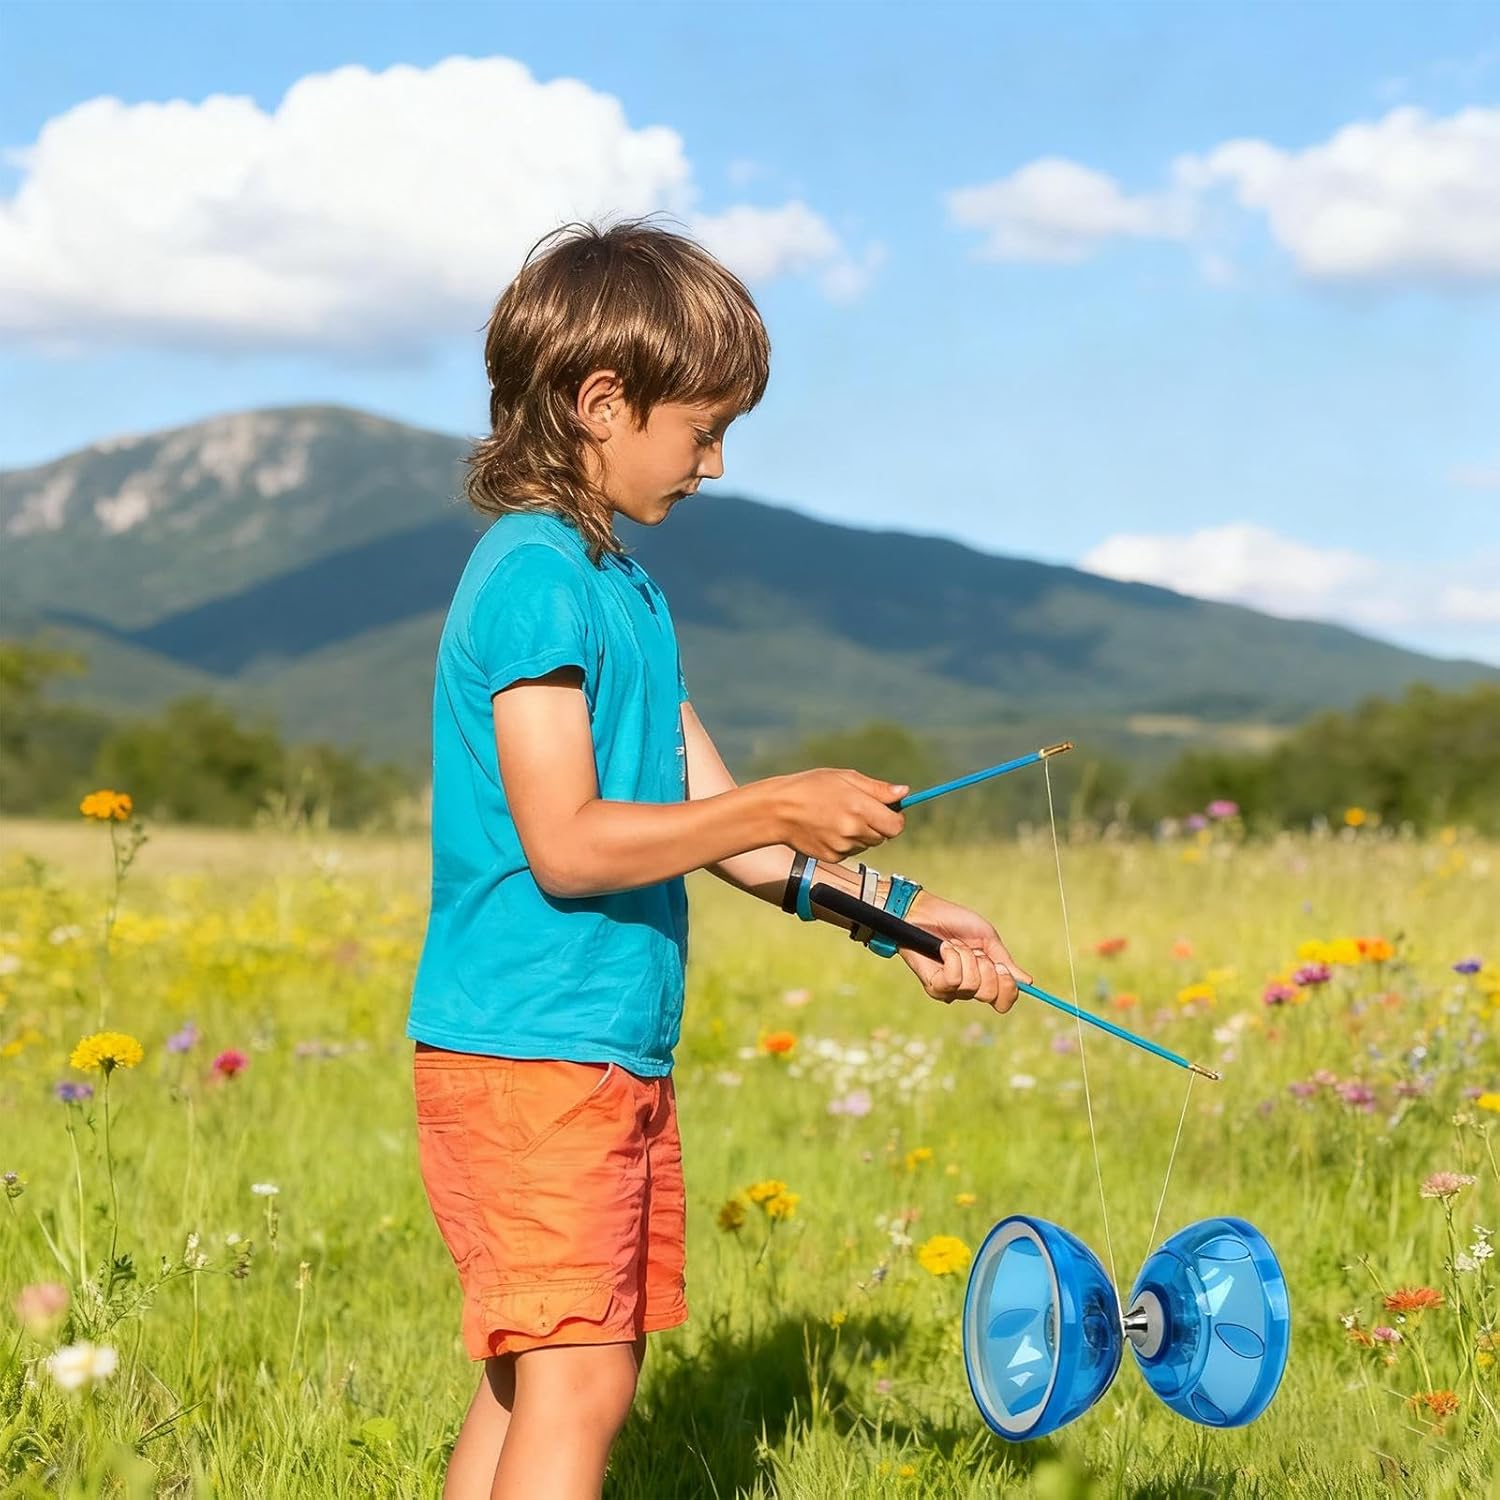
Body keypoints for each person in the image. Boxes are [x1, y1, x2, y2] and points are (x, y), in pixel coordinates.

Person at [407, 220, 1029, 1500]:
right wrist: (779, 806)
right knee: (581, 1382)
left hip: (598, 1051)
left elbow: (727, 832)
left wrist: (908, 919)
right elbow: (571, 845)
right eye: (703, 429)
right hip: (528, 1053)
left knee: (540, 1379)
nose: (716, 463)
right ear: (601, 403)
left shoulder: (624, 590)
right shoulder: (530, 578)